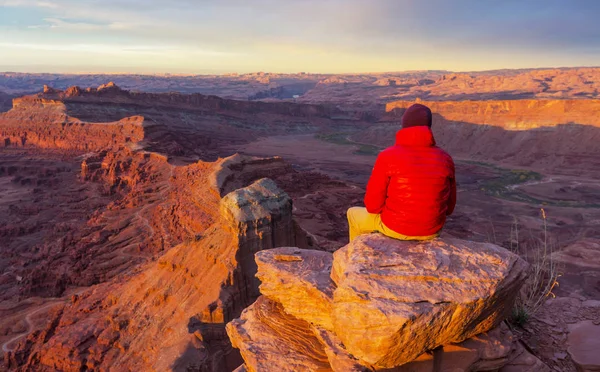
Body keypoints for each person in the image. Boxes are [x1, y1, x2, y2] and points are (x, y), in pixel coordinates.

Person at [347, 103, 456, 241]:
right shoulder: (446, 158)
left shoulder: (387, 156)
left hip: (395, 228)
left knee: (352, 214)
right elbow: (449, 208)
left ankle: (356, 257)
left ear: (404, 125)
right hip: (432, 231)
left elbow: (372, 206)